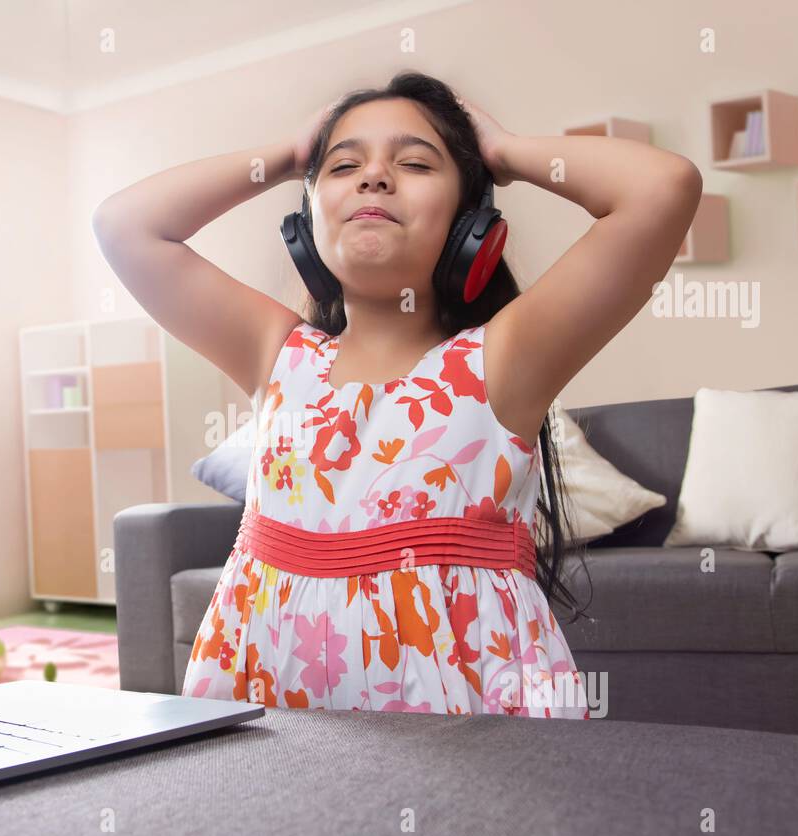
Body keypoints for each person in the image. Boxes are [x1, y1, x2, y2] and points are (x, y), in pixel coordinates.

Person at [92, 70, 701, 716]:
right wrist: (287, 156)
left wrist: (501, 151)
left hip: (465, 744)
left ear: (473, 226)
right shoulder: (277, 355)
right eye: (343, 165)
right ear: (304, 227)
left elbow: (663, 189)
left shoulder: (504, 359)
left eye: (414, 162)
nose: (374, 176)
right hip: (269, 732)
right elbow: (123, 225)